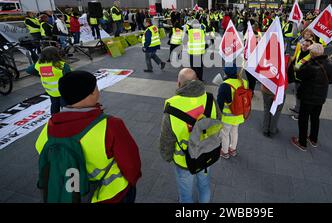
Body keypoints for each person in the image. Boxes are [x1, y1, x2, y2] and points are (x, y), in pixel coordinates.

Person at [35, 70, 141, 203]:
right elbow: (132, 165)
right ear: (91, 94)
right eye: (96, 87)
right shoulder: (111, 125)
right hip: (112, 195)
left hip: (70, 195)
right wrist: (132, 182)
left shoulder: (48, 128)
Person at [160, 68, 220, 203]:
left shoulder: (171, 105)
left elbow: (166, 137)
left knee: (185, 195)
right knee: (204, 186)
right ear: (197, 80)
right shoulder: (209, 98)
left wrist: (167, 156)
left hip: (183, 160)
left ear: (178, 84)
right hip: (206, 153)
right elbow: (218, 122)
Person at [291, 43, 332, 151]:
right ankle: (313, 139)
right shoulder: (331, 64)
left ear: (312, 53)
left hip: (308, 96)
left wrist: (304, 62)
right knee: (315, 118)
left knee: (303, 119)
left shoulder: (310, 66)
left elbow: (299, 74)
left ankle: (302, 142)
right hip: (320, 97)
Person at [26, 46, 71, 114]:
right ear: (56, 54)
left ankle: (54, 119)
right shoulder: (61, 65)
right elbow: (70, 77)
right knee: (65, 107)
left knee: (54, 105)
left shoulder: (39, 64)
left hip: (51, 91)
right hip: (63, 91)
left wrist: (41, 74)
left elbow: (29, 70)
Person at [216, 65, 248, 159]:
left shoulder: (224, 85)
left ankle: (224, 152)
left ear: (225, 73)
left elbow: (219, 104)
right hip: (239, 115)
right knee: (235, 132)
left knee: (225, 134)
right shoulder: (244, 82)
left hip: (227, 117)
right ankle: (232, 150)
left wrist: (217, 116)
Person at [290, 39, 314, 120]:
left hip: (304, 80)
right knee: (297, 95)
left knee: (302, 98)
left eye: (307, 45)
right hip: (297, 78)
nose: (304, 47)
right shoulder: (300, 51)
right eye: (303, 45)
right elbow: (296, 61)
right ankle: (297, 108)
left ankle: (299, 114)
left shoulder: (311, 56)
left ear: (310, 47)